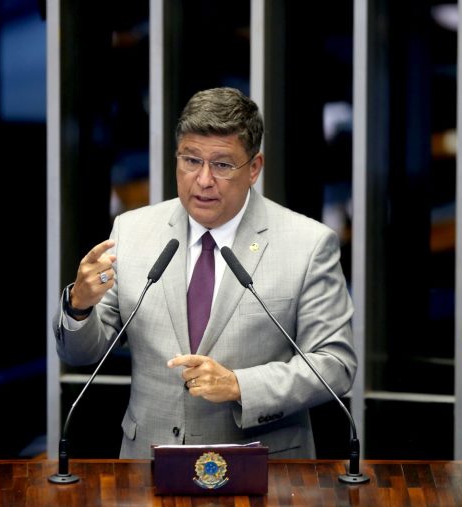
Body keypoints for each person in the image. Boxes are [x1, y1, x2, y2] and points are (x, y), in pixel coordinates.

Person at [53, 87, 357, 459]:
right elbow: (81, 354)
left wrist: (239, 385)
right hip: (147, 463)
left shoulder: (307, 244)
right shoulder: (132, 232)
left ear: (254, 169)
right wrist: (79, 307)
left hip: (263, 468)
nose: (203, 179)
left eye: (222, 165)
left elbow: (335, 365)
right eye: (191, 160)